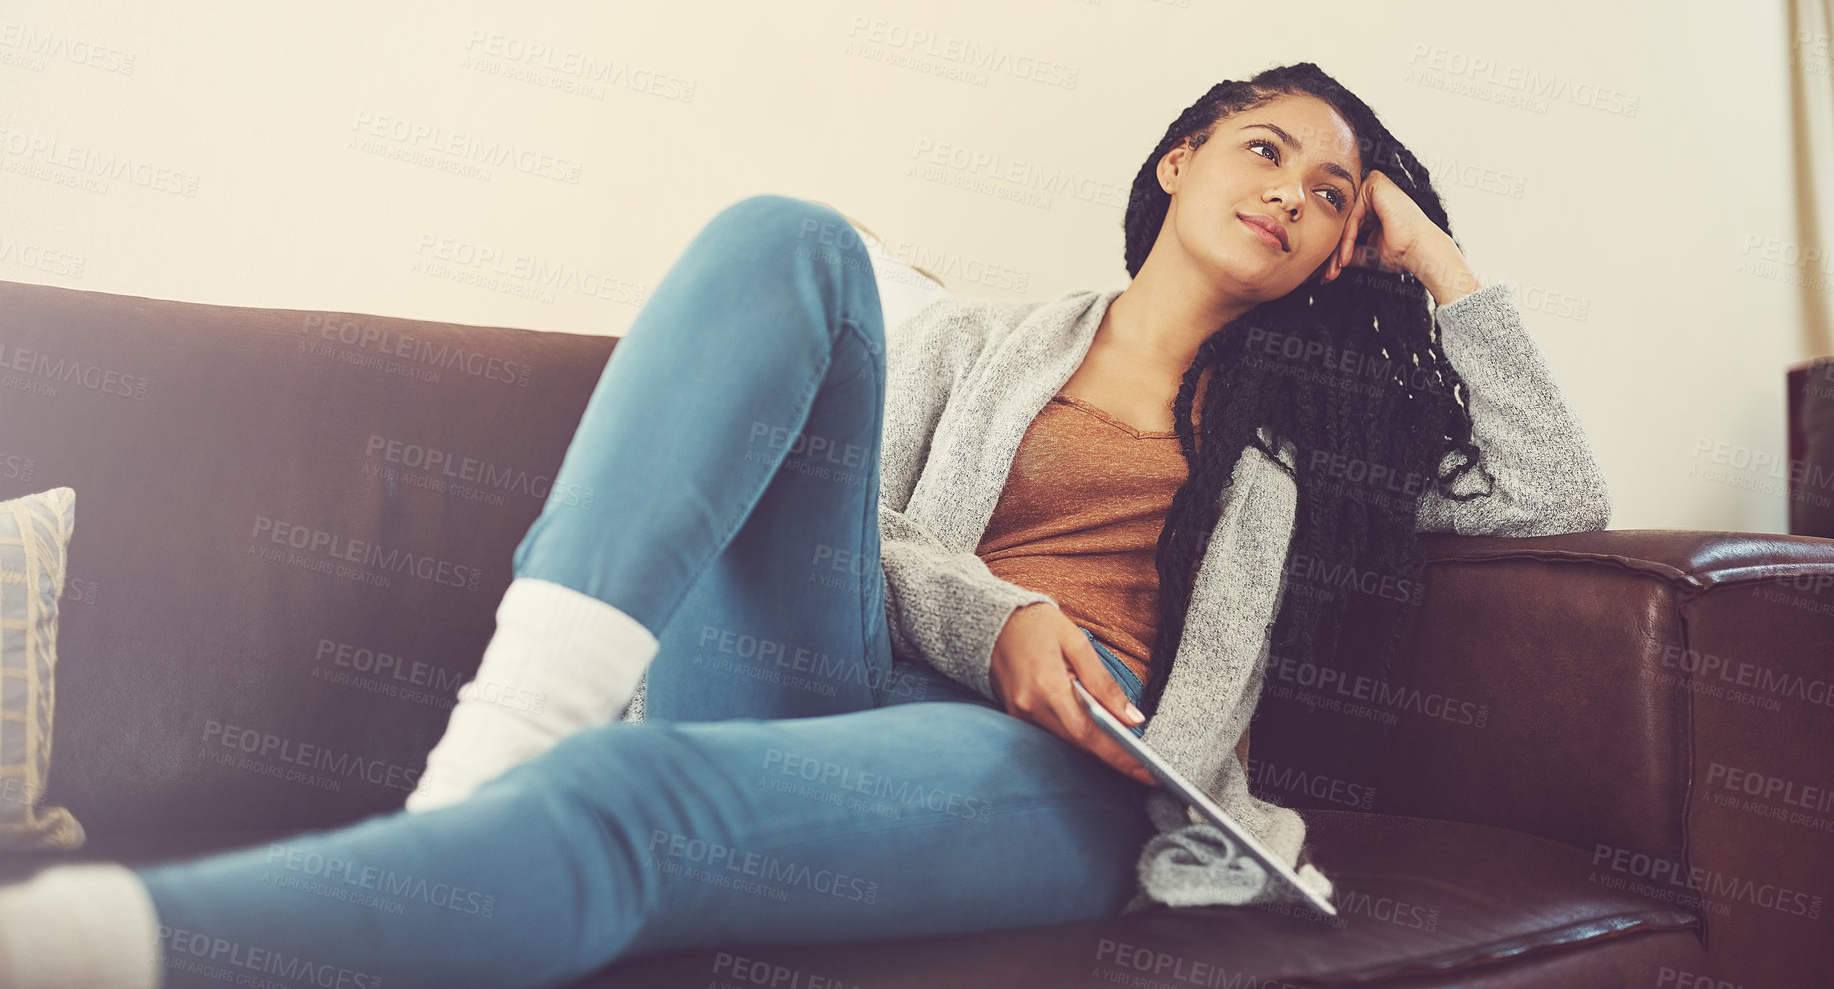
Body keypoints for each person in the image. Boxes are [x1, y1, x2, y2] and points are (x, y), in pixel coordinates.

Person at [0, 61, 1609, 989]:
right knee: (792, 235)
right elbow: (880, 537)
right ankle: (498, 746)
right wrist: (1001, 618)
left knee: (630, 794)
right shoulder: (980, 345)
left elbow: (1555, 492)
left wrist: (1432, 254)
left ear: (1344, 246)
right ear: (1183, 155)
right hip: (837, 668)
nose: (1294, 189)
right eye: (1268, 147)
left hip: (1059, 772)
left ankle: (107, 946)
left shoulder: (1302, 438)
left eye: (1336, 192)